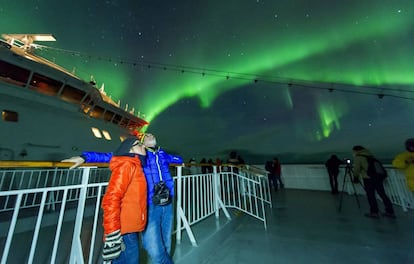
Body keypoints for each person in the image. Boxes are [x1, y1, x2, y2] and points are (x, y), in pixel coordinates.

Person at [63, 133, 183, 264]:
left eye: (151, 134)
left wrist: (181, 161)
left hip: (167, 201)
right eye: (145, 136)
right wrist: (85, 157)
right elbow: (111, 157)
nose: (149, 135)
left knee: (166, 240)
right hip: (150, 203)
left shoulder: (161, 154)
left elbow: (176, 159)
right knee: (154, 247)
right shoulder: (139, 157)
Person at [101, 137, 147, 264]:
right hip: (124, 230)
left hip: (130, 227)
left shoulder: (136, 165)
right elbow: (111, 199)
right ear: (130, 149)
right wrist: (112, 233)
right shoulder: (127, 165)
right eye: (139, 144)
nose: (144, 146)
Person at [352, 145, 395, 219]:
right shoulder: (371, 156)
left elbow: (356, 169)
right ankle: (390, 211)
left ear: (356, 151)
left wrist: (355, 177)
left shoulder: (358, 157)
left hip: (368, 179)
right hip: (377, 178)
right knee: (382, 194)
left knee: (371, 195)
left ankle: (374, 212)